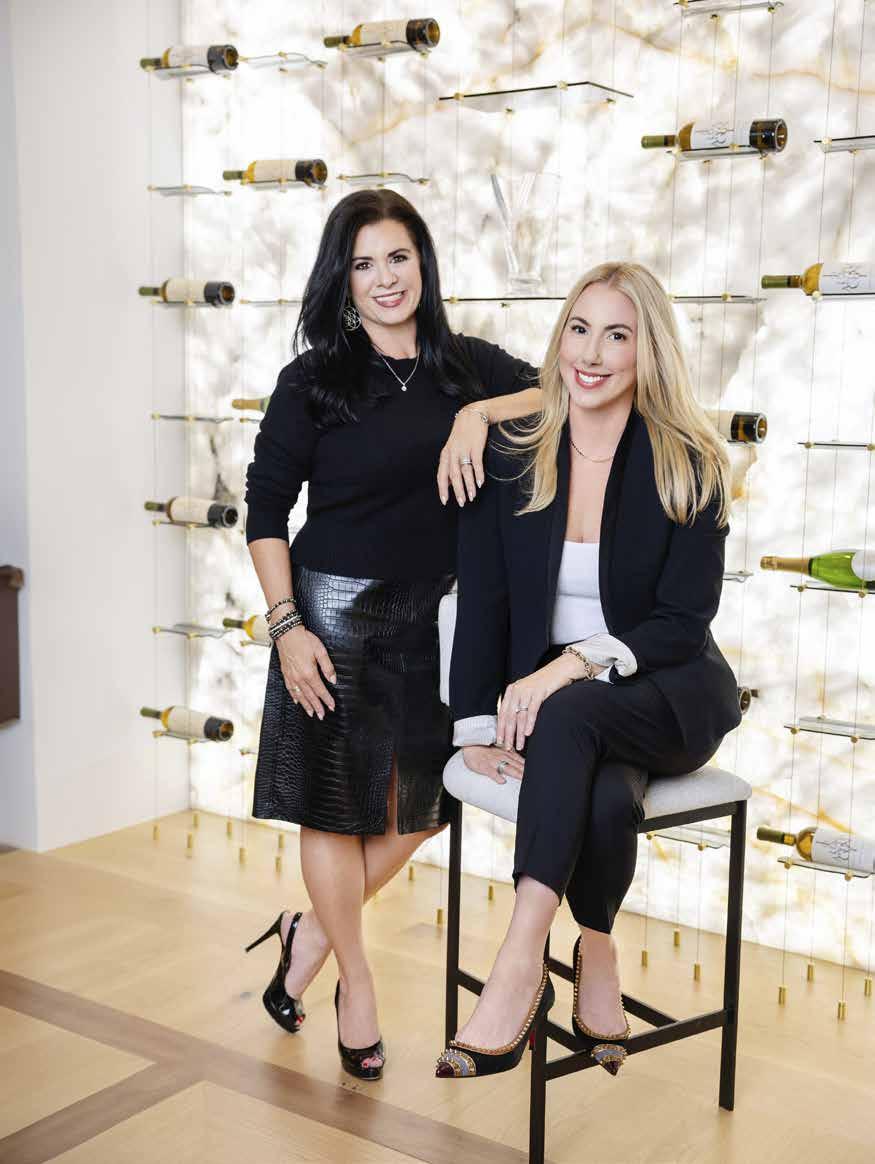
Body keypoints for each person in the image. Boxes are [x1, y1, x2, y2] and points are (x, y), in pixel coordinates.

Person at [242, 188, 540, 1081]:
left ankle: (306, 933)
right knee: (334, 807)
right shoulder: (313, 380)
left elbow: (561, 391)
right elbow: (264, 512)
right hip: (329, 617)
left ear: (423, 263)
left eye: (397, 257)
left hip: (442, 622)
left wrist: (476, 414)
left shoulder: (466, 365)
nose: (383, 279)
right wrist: (286, 627)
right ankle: (355, 979)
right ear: (342, 279)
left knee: (430, 801)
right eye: (363, 263)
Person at [436, 261, 742, 1081]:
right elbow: (484, 602)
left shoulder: (688, 463)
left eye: (617, 335)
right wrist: (474, 729)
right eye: (578, 329)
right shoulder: (512, 457)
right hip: (567, 714)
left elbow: (681, 623)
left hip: (669, 693)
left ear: (649, 352)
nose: (591, 353)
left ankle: (517, 963)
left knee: (571, 713)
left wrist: (567, 668)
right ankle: (596, 951)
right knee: (604, 791)